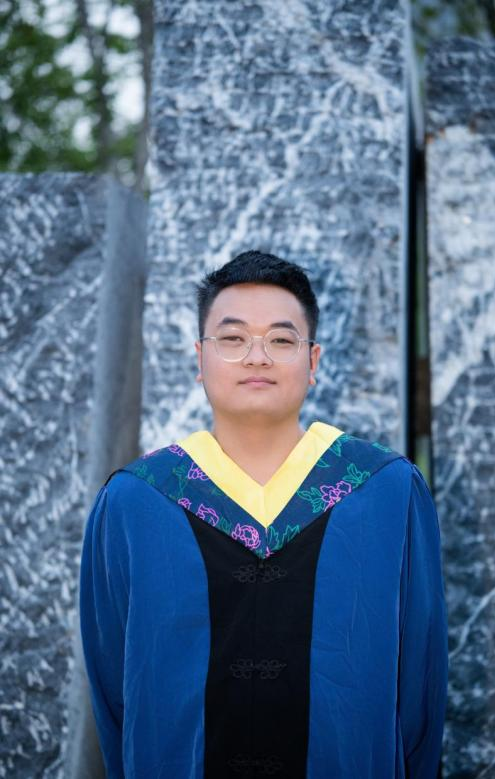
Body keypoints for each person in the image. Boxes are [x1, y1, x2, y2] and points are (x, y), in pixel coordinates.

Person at [79, 250, 449, 778]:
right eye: (232, 339)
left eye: (280, 340)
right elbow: (115, 693)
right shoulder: (135, 502)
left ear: (313, 361)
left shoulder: (386, 493)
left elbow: (420, 687)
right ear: (199, 359)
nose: (257, 357)